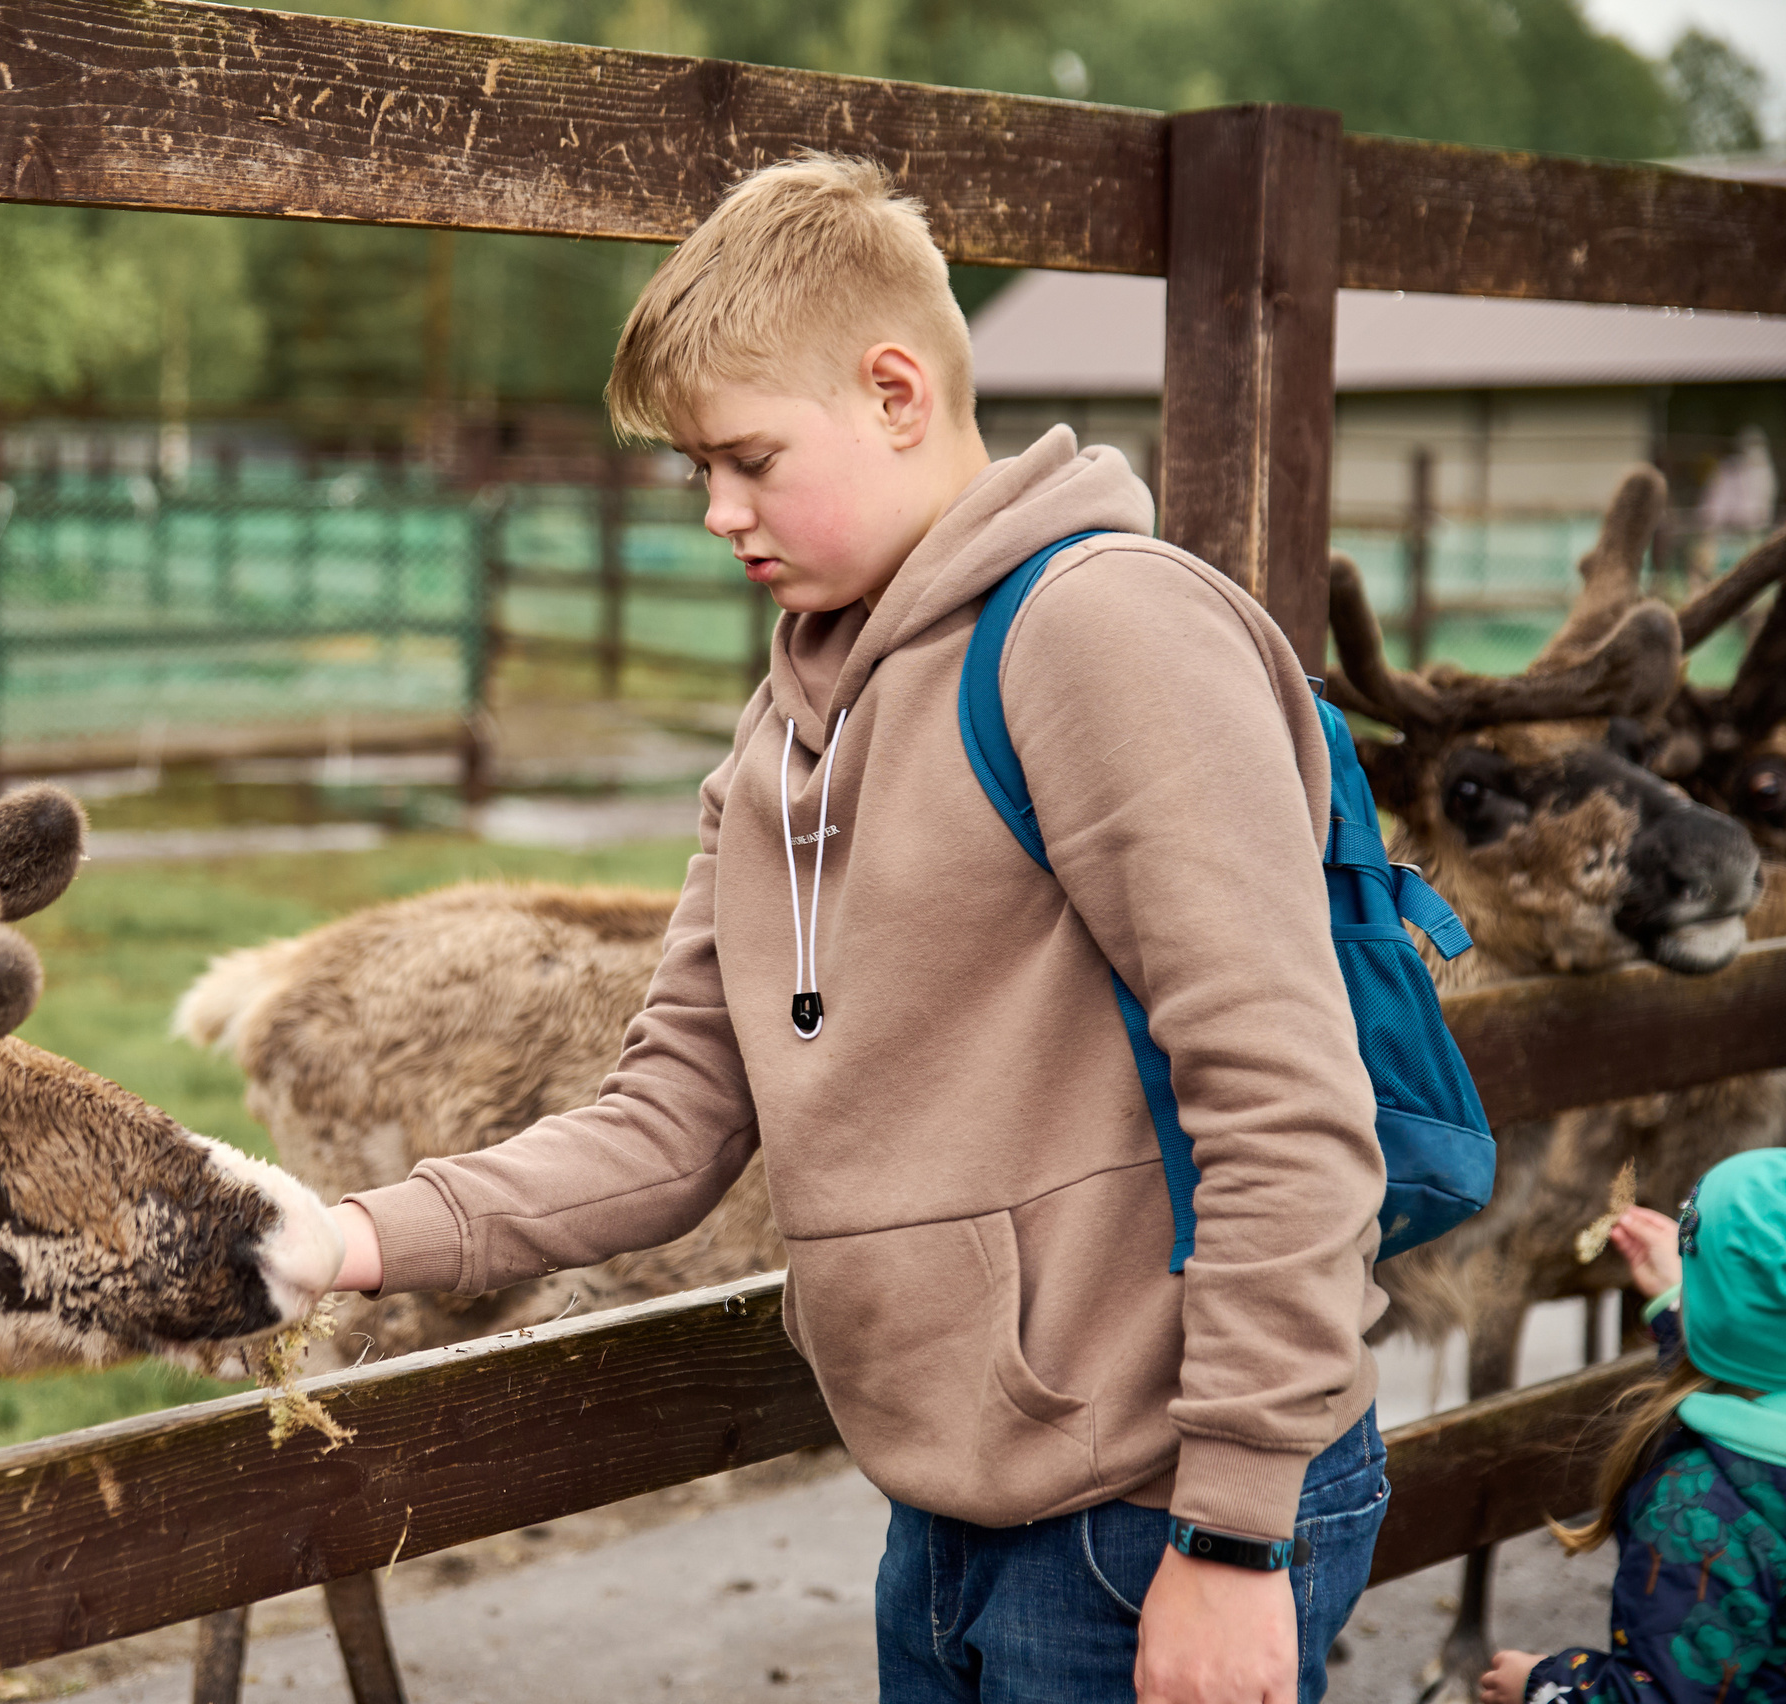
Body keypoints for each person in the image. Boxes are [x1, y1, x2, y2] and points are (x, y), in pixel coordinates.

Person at [327, 152, 1390, 1704]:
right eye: (694, 470)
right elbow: (670, 1117)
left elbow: (1287, 1100)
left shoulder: (1105, 634)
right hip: (957, 1497)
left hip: (1162, 1501)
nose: (714, 512)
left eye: (748, 458)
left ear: (898, 391)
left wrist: (1235, 1538)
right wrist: (356, 1235)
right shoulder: (783, 730)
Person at [1477, 1151, 1786, 1704]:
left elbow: (1657, 1696)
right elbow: (1760, 1364)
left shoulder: (1699, 1517)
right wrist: (1682, 1305)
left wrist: (1544, 1682)